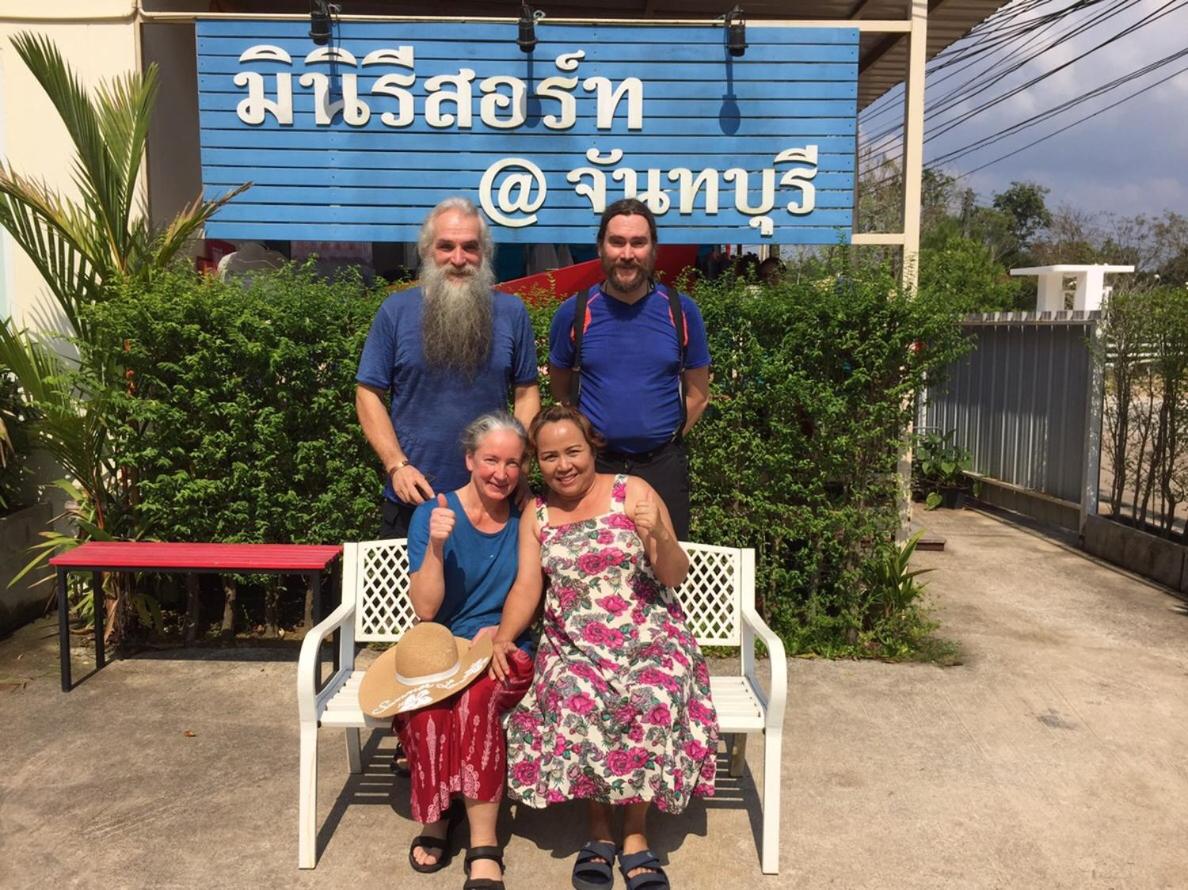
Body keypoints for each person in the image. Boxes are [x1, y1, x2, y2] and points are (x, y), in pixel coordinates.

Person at [492, 405, 719, 890]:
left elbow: (673, 575)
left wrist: (659, 534)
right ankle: (599, 832)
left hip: (651, 637)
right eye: (550, 456)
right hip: (572, 644)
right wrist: (504, 636)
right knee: (579, 700)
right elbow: (528, 587)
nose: (563, 465)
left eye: (572, 451)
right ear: (537, 462)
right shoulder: (537, 513)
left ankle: (635, 834)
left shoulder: (632, 491)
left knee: (650, 697)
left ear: (592, 447)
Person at [375, 412, 536, 889]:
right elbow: (426, 610)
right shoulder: (433, 513)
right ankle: (438, 816)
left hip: (504, 647)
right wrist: (435, 545)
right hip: (442, 653)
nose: (501, 473)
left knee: (476, 703)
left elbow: (530, 587)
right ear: (469, 459)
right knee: (426, 710)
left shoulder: (528, 515)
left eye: (512, 463)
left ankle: (484, 842)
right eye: (490, 460)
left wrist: (503, 632)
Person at [356, 197, 541, 538]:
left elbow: (527, 393)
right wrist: (396, 465)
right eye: (446, 247)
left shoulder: (512, 313)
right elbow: (368, 394)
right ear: (427, 251)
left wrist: (520, 466)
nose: (458, 259)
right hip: (414, 497)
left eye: (470, 247)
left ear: (484, 252)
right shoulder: (395, 312)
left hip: (496, 499)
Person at [547, 199, 710, 540]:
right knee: (592, 563)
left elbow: (698, 395)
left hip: (663, 469)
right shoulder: (573, 313)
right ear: (600, 248)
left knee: (666, 564)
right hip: (594, 469)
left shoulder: (681, 310)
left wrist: (664, 440)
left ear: (653, 249)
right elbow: (560, 390)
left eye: (638, 243)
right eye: (617, 242)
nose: (627, 254)